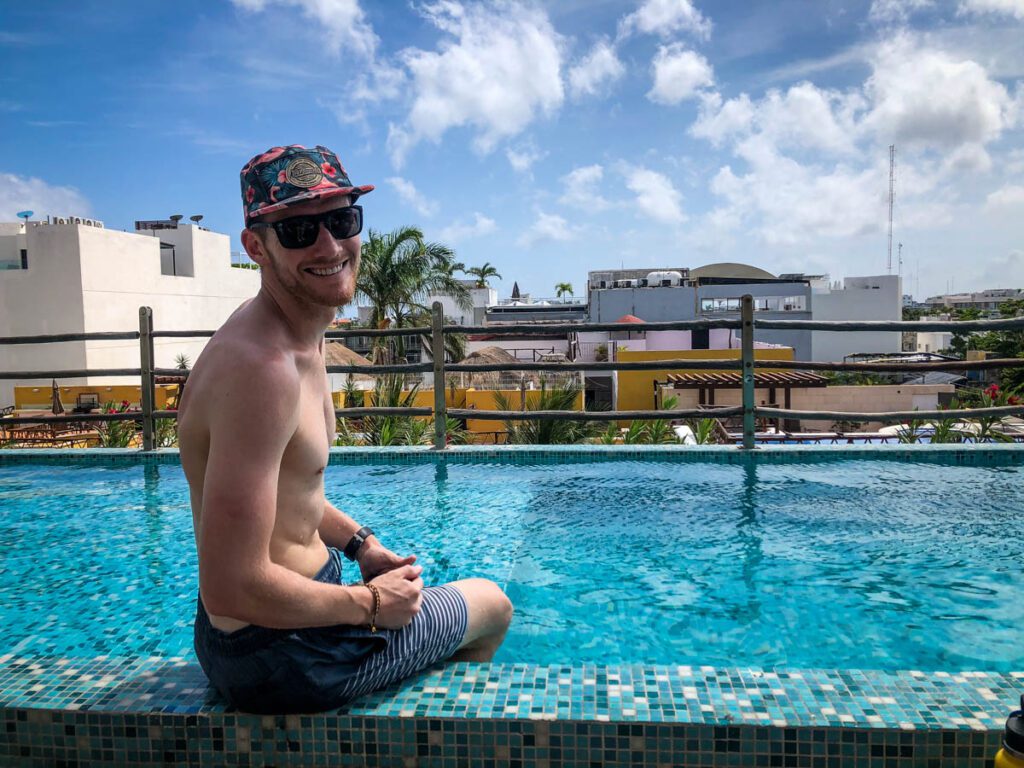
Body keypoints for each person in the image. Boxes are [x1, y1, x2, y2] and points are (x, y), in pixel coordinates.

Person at [178, 144, 513, 714]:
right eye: (300, 230)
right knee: (492, 605)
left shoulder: (292, 336)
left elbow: (292, 492)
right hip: (286, 652)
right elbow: (229, 585)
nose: (330, 246)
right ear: (256, 246)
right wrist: (370, 604)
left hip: (265, 634)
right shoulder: (262, 371)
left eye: (341, 220)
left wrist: (361, 545)